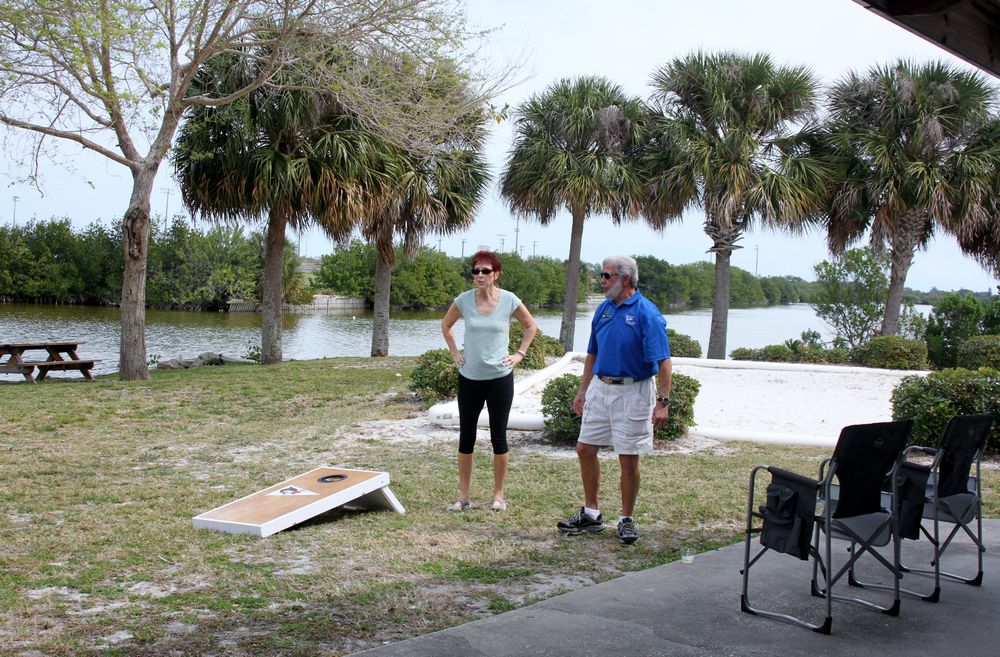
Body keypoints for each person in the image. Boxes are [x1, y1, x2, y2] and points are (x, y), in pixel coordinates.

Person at [557, 255, 671, 544]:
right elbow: (592, 353)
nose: (602, 280)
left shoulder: (647, 313)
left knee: (628, 457)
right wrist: (583, 390)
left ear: (626, 279)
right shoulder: (604, 309)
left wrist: (663, 402)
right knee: (584, 448)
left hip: (634, 391)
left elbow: (664, 361)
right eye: (602, 275)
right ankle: (591, 514)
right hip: (601, 387)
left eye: (607, 276)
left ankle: (626, 519)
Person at [441, 250, 537, 512]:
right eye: (476, 271)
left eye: (485, 271)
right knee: (466, 437)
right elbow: (446, 325)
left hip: (499, 379)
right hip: (469, 378)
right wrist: (455, 353)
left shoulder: (509, 300)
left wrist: (520, 354)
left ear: (496, 274)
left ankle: (498, 496)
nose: (480, 275)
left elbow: (531, 326)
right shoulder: (463, 300)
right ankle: (463, 497)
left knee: (498, 437)